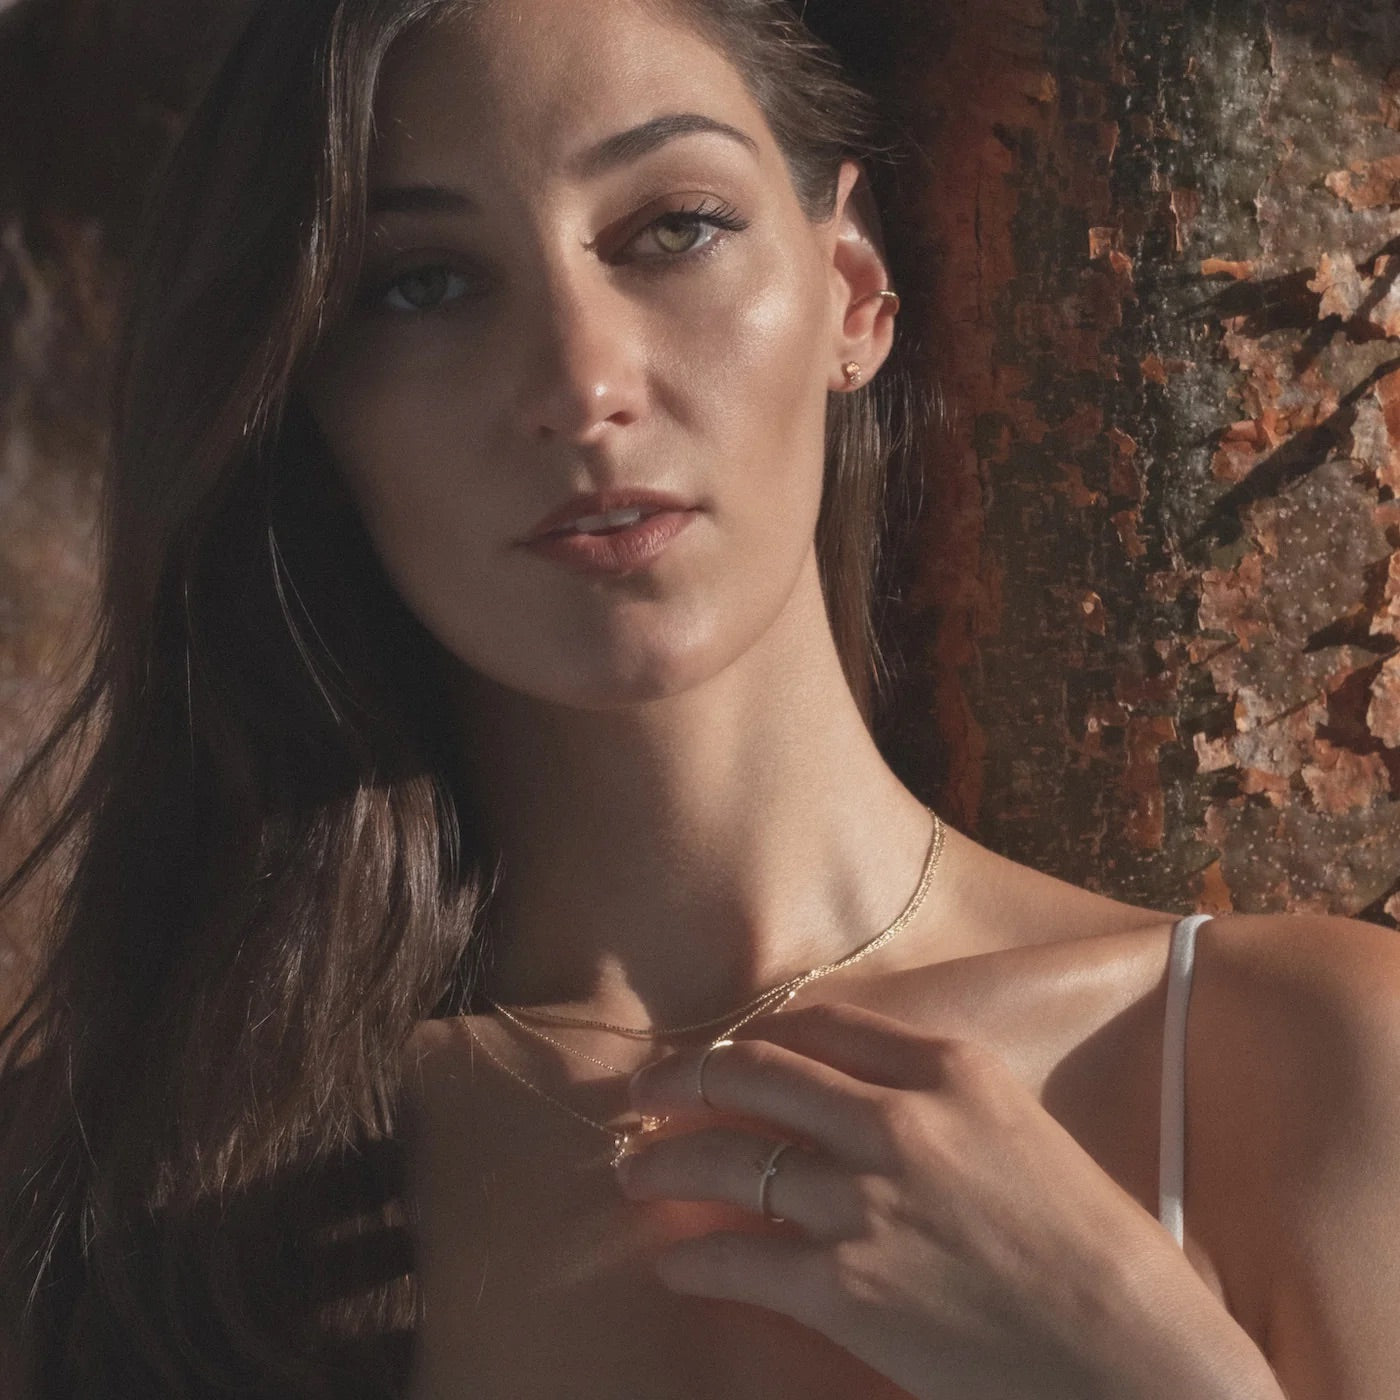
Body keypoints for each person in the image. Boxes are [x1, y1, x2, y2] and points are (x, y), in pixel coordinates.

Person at [1, 0, 1397, 1395]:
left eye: (673, 228)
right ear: (314, 405)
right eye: (421, 282)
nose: (580, 382)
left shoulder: (1304, 1067)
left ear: (851, 287)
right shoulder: (126, 1193)